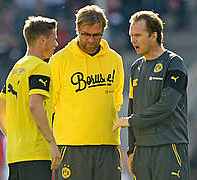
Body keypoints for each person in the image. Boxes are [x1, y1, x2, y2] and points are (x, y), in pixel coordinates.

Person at [50, 5, 124, 180]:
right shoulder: (59, 61)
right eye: (86, 34)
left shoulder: (115, 60)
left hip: (107, 146)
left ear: (103, 32)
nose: (91, 40)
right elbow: (49, 106)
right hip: (71, 147)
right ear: (77, 30)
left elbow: (116, 100)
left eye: (96, 35)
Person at [113, 11, 189, 179]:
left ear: (154, 35)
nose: (133, 40)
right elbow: (132, 108)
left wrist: (131, 121)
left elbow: (166, 106)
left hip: (168, 147)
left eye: (138, 35)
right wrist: (131, 150)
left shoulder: (174, 63)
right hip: (142, 152)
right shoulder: (136, 67)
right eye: (131, 35)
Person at [0, 16, 61, 180]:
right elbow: (35, 105)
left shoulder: (16, 69)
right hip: (36, 155)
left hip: (15, 155)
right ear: (42, 40)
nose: (56, 45)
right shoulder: (40, 67)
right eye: (54, 39)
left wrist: (14, 137)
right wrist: (51, 142)